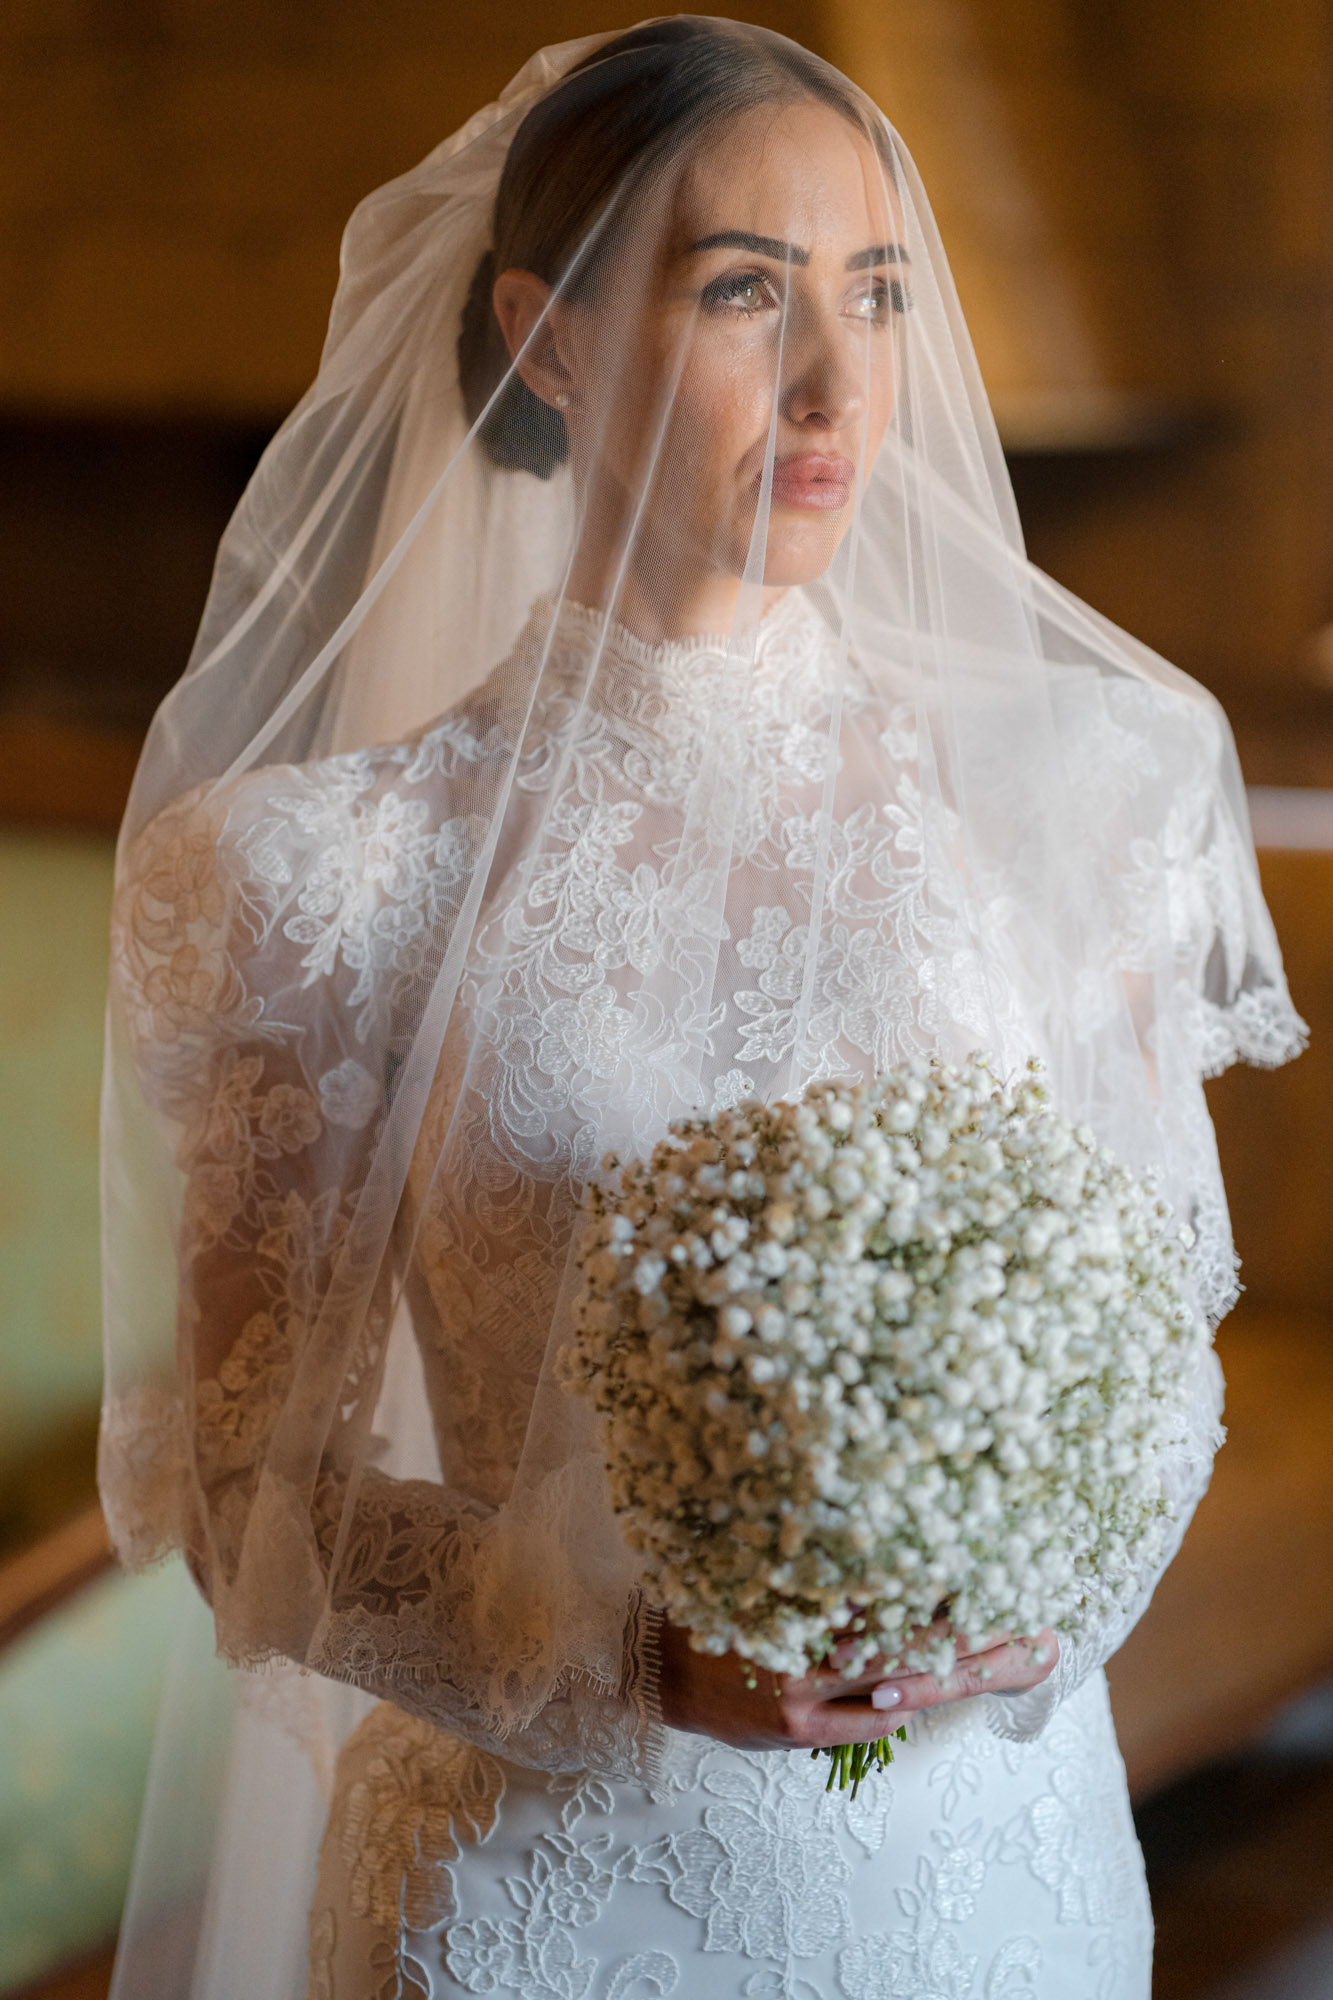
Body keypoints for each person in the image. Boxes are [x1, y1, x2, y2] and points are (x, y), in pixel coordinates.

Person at [100, 18, 1305, 1999]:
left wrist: (1041, 1599)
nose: (843, 382)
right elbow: (253, 1497)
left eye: (880, 293)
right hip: (537, 1901)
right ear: (548, 334)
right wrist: (620, 1650)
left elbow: (1159, 1349)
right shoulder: (326, 876)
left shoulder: (1079, 796)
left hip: (990, 1882)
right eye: (746, 289)